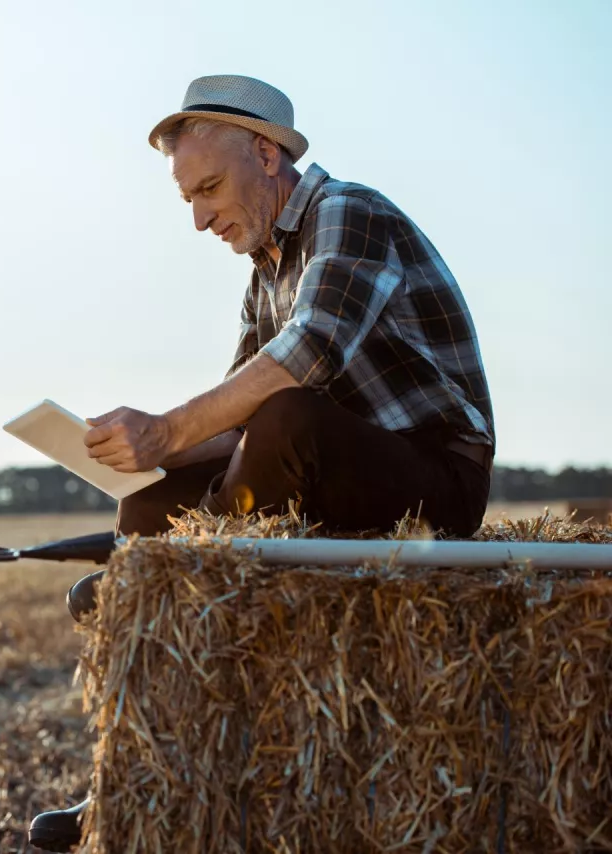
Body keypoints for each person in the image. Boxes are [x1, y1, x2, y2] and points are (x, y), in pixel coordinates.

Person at [26, 73, 495, 852]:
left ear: (269, 155)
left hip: (434, 478)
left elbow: (302, 362)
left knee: (285, 415)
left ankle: (182, 586)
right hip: (325, 469)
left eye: (209, 188)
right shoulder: (264, 271)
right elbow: (234, 427)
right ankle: (129, 781)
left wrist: (172, 428)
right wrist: (144, 449)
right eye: (188, 200)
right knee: (151, 499)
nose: (201, 218)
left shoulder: (350, 212)